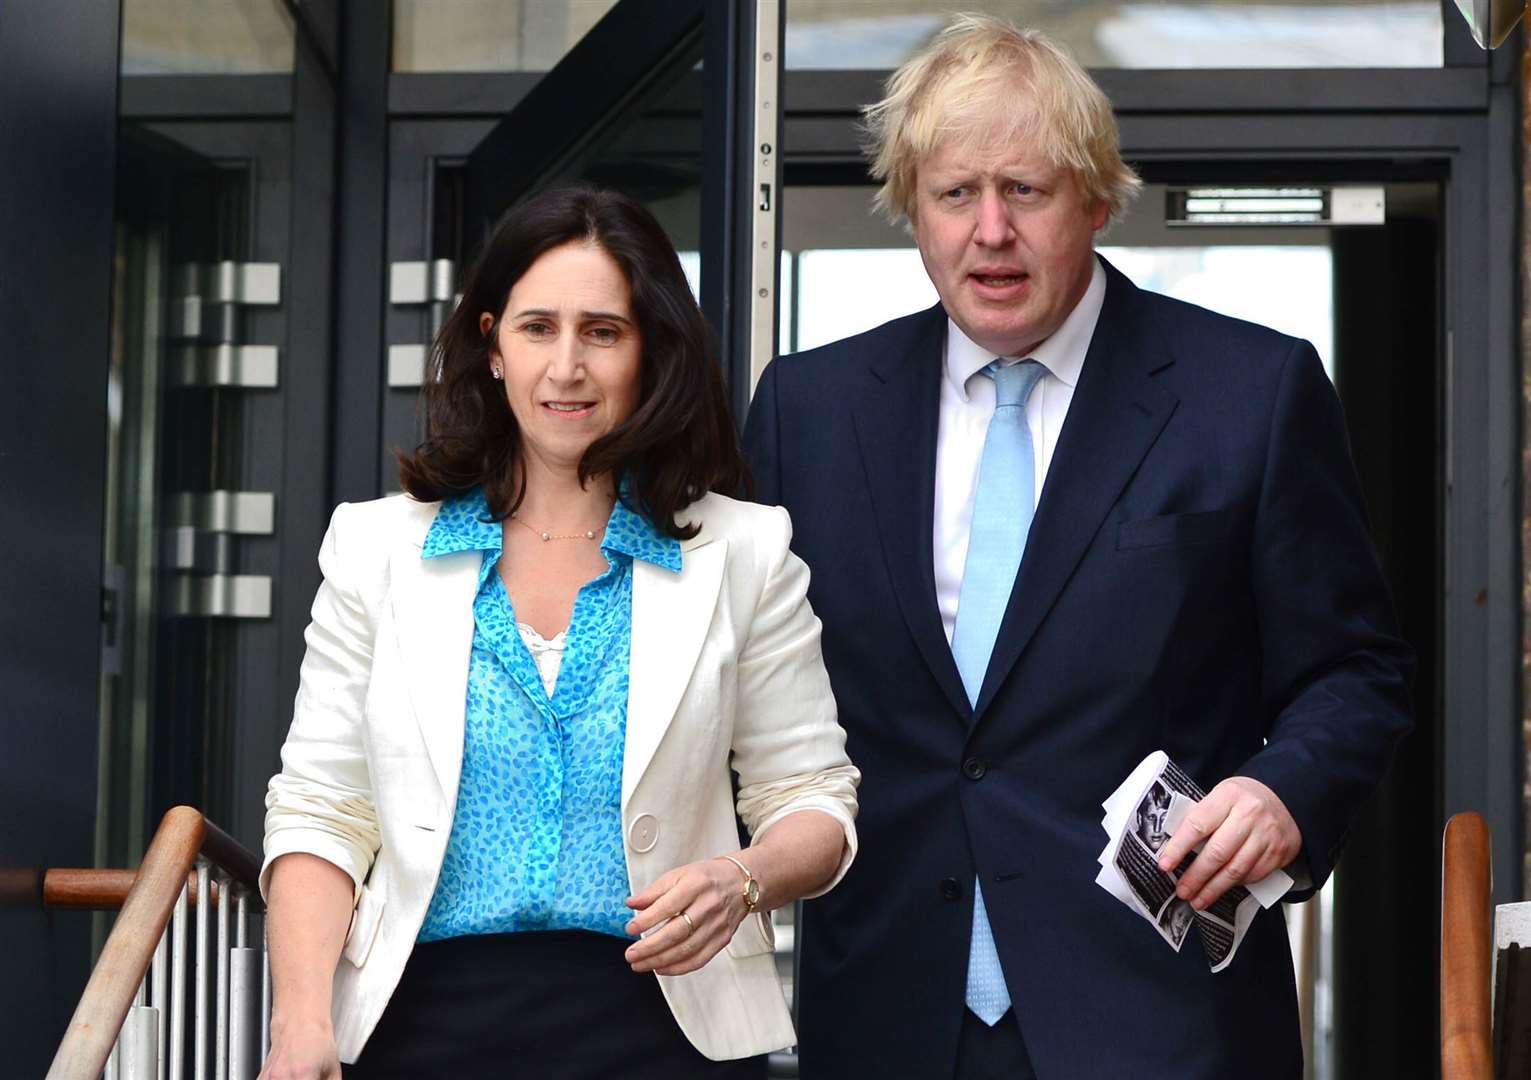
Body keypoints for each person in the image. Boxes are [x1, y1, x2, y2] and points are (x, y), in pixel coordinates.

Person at [743, 15, 1412, 1079]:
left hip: (1161, 1019)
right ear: (911, 209)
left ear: (1097, 199)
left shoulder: (1249, 394)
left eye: (1028, 190)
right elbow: (747, 693)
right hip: (885, 1013)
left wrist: (1282, 792)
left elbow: (1353, 671)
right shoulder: (806, 412)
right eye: (956, 193)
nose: (990, 230)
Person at [258, 185, 859, 1080]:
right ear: (491, 345)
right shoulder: (375, 547)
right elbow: (322, 808)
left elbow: (812, 799)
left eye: (603, 332)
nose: (566, 367)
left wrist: (743, 880)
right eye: (538, 328)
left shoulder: (744, 550)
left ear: (649, 353)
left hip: (665, 1028)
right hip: (417, 1026)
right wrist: (300, 1021)